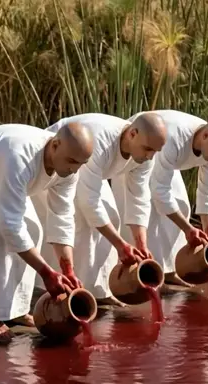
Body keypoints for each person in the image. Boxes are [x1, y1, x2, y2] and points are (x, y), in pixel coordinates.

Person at [0, 122, 95, 341]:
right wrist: (46, 273)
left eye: (81, 164)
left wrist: (67, 269)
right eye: (71, 161)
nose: (74, 169)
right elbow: (10, 226)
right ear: (55, 145)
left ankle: (16, 309)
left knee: (33, 232)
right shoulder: (20, 154)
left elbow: (62, 217)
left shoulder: (70, 169)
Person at [45, 113, 167, 306]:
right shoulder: (100, 141)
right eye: (148, 149)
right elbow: (89, 202)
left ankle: (99, 290)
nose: (150, 156)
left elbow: (138, 196)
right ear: (133, 133)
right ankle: (70, 292)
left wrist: (140, 244)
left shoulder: (146, 154)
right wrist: (121, 245)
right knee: (81, 225)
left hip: (89, 176)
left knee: (111, 218)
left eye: (155, 151)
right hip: (60, 166)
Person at [115, 111, 208, 288]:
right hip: (142, 149)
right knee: (144, 213)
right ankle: (144, 274)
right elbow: (160, 192)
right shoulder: (174, 138)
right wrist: (189, 229)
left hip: (165, 164)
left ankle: (171, 270)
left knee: (182, 206)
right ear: (205, 135)